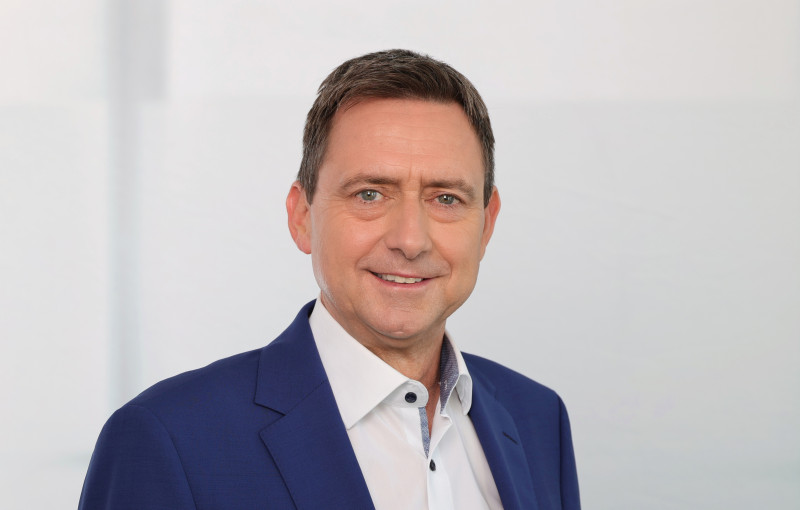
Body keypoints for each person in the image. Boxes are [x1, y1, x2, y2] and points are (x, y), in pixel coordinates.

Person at [79, 49, 580, 510]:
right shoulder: (169, 440)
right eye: (369, 194)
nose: (411, 240)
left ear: (486, 224)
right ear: (302, 217)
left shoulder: (539, 421)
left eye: (446, 198)